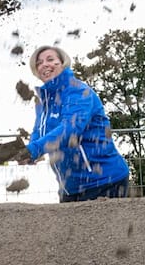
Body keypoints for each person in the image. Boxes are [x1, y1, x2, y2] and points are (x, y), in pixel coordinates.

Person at [20, 45, 131, 202]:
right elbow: (39, 130)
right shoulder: (42, 101)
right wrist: (28, 152)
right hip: (69, 187)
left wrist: (35, 149)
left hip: (104, 181)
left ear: (63, 62)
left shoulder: (78, 91)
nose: (44, 64)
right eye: (39, 63)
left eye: (50, 59)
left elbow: (70, 129)